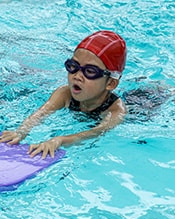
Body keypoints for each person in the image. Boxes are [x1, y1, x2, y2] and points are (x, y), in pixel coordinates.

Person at [0, 30, 127, 159]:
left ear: (110, 83)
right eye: (73, 66)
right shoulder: (65, 93)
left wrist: (60, 140)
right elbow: (41, 113)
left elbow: (97, 132)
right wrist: (21, 132)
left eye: (89, 71)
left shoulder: (116, 110)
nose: (77, 76)